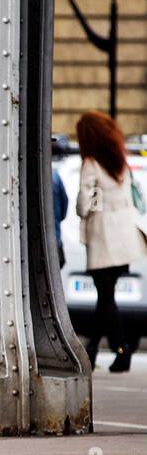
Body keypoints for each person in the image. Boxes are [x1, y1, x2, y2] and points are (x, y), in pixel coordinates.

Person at [74, 112, 147, 372]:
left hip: (103, 239)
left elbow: (83, 207)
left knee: (105, 298)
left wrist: (87, 202)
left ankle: (115, 350)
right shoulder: (119, 162)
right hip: (124, 239)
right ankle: (103, 351)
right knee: (107, 297)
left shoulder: (91, 164)